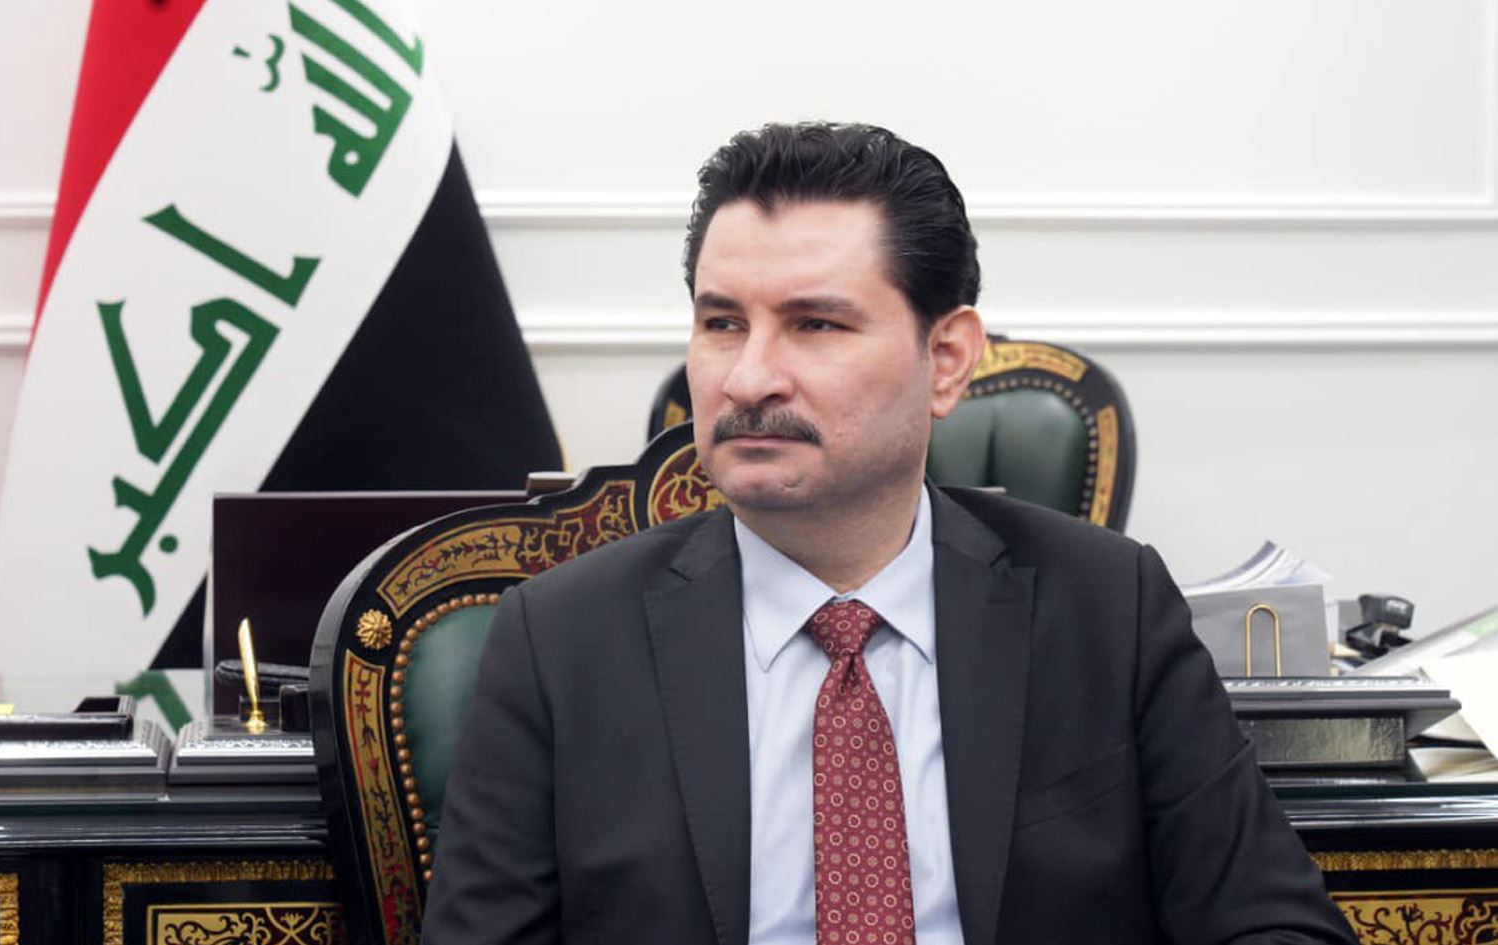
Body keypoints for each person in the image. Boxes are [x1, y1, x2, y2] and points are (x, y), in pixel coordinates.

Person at [422, 122, 1356, 945]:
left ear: (945, 359)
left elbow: (1275, 923)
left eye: (815, 324)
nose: (747, 377)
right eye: (722, 323)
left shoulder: (1109, 606)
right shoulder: (560, 639)